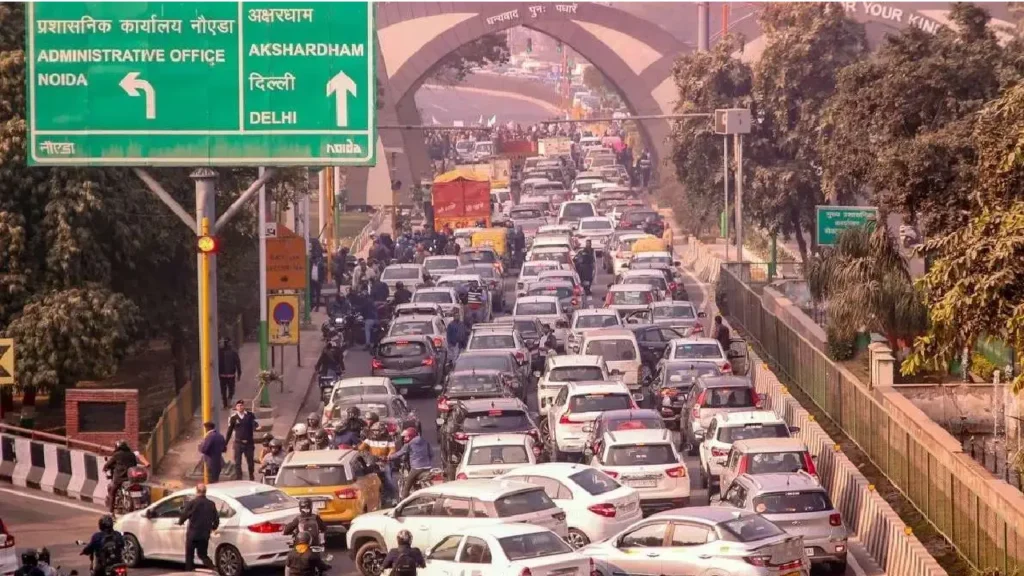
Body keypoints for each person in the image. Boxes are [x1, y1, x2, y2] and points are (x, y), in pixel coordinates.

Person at [177, 483, 219, 571]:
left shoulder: (192, 503)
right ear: (205, 492)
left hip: (193, 535)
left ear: (197, 491)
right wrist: (213, 528)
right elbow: (216, 520)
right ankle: (214, 568)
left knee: (189, 556)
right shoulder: (211, 504)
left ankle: (189, 572)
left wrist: (180, 522)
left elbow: (184, 515)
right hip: (204, 535)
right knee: (203, 555)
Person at [357, 421, 398, 502]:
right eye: (374, 430)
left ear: (382, 430)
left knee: (388, 481)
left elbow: (392, 450)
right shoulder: (369, 438)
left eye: (377, 430)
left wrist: (387, 457)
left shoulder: (388, 439)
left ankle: (394, 498)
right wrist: (365, 454)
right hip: (372, 463)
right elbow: (361, 448)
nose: (375, 432)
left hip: (384, 463)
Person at [388, 427, 434, 499]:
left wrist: (389, 457)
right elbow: (431, 454)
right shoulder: (425, 441)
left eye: (406, 437)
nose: (405, 438)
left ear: (411, 436)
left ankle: (403, 501)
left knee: (407, 485)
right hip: (428, 467)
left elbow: (400, 453)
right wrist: (428, 462)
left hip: (416, 468)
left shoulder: (409, 444)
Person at [225, 399, 260, 480]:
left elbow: (254, 423)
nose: (240, 407)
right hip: (238, 443)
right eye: (238, 406)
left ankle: (251, 476)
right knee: (238, 462)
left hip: (249, 443)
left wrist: (256, 427)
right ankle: (239, 478)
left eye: (241, 405)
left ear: (244, 406)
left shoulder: (250, 415)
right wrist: (225, 443)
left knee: (250, 461)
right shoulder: (233, 418)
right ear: (236, 407)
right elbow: (229, 431)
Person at [103, 440, 138, 515]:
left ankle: (111, 512)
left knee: (112, 492)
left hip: (120, 478)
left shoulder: (117, 455)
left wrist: (104, 468)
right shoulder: (132, 454)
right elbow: (135, 464)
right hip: (131, 477)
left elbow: (108, 464)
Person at [217, 338, 242, 409]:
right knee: (231, 389)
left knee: (223, 390)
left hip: (222, 374)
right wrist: (239, 373)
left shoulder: (220, 352)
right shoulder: (234, 352)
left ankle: (225, 404)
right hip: (231, 375)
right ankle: (229, 400)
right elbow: (238, 363)